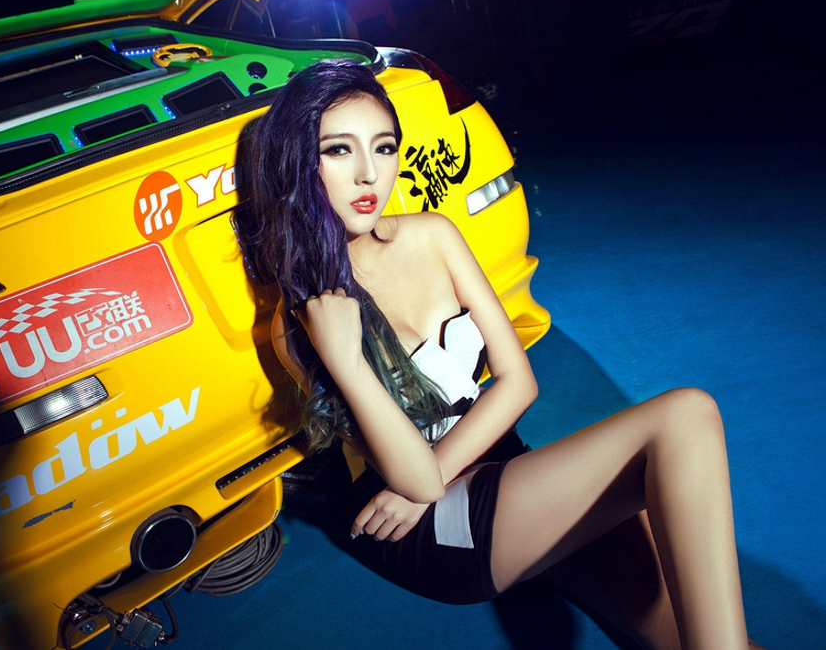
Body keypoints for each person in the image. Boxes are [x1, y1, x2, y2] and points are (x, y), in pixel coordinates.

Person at [234, 59, 764, 650]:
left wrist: (437, 472)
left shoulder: (433, 235)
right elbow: (418, 481)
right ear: (298, 165)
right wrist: (349, 364)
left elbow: (518, 382)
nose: (368, 174)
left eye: (383, 148)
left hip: (506, 473)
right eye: (339, 151)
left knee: (705, 634)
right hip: (429, 527)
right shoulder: (301, 320)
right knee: (684, 417)